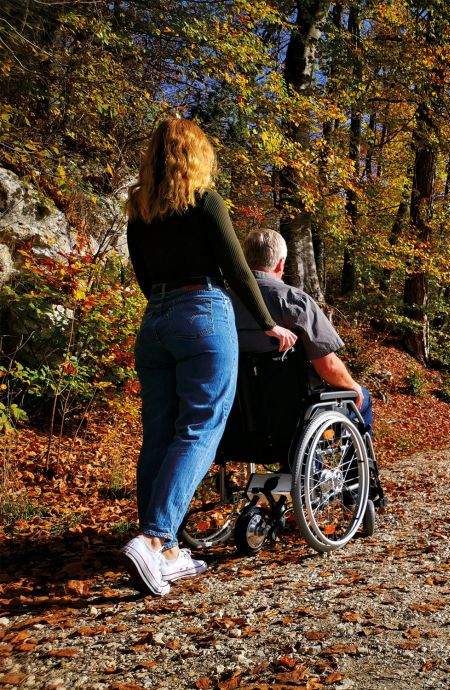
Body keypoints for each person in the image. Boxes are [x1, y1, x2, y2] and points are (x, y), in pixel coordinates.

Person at [122, 118, 297, 597]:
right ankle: (155, 538)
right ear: (197, 155)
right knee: (200, 427)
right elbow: (238, 269)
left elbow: (142, 274)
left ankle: (168, 550)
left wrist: (165, 305)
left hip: (154, 319)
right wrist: (268, 324)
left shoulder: (138, 210)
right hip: (201, 309)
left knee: (158, 433)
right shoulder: (205, 201)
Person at [231, 229, 372, 431]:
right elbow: (327, 366)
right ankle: (356, 462)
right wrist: (353, 386)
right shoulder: (293, 301)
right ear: (281, 263)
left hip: (241, 420)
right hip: (295, 417)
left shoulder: (223, 301)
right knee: (362, 398)